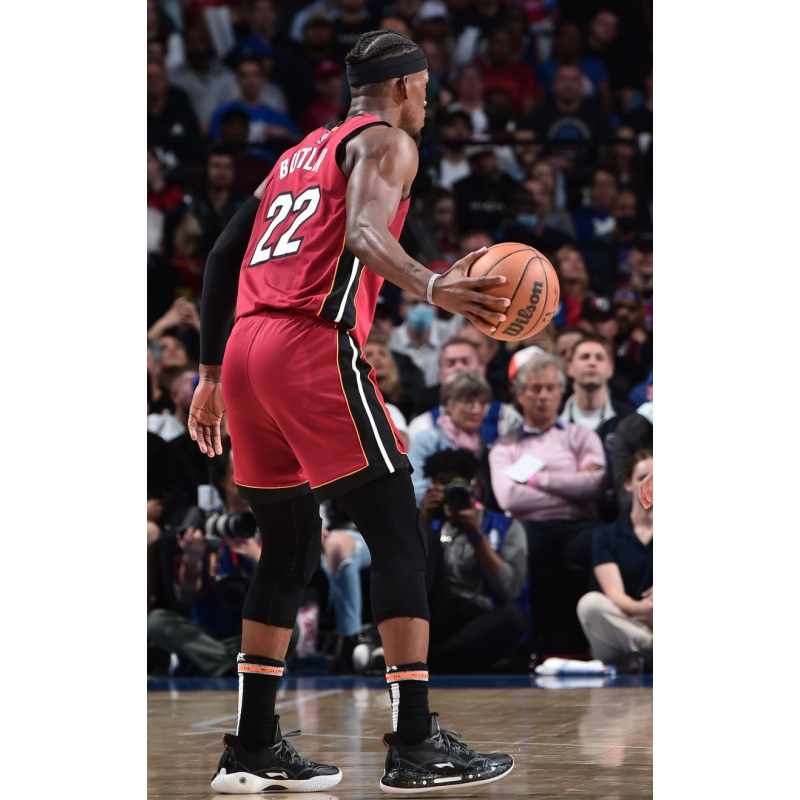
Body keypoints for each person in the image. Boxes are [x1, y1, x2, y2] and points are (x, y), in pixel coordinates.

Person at [188, 28, 515, 795]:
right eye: (425, 89)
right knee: (398, 532)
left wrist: (209, 372)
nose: (428, 102)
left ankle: (253, 745)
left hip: (244, 350)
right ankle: (414, 743)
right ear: (403, 87)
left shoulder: (296, 154)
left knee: (289, 547)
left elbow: (222, 254)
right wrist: (433, 285)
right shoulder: (389, 142)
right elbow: (366, 234)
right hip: (309, 344)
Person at [420, 448, 530, 673]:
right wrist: (422, 523)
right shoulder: (427, 524)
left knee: (515, 618)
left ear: (475, 485)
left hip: (480, 615)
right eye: (442, 483)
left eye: (456, 484)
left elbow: (509, 591)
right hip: (436, 613)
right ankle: (444, 659)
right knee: (425, 540)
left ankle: (431, 659)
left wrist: (476, 534)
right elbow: (404, 579)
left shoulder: (506, 526)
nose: (450, 491)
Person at [577, 449, 653, 672]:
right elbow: (614, 594)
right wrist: (643, 607)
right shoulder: (607, 535)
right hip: (621, 621)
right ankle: (649, 648)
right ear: (628, 484)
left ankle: (645, 654)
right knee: (590, 604)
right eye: (643, 478)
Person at [408, 371, 493, 503]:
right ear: (448, 404)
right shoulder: (428, 440)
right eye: (468, 402)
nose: (477, 410)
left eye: (482, 403)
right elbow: (414, 491)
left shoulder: (483, 445)